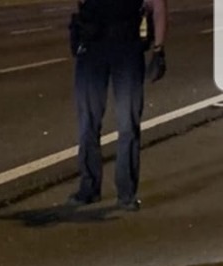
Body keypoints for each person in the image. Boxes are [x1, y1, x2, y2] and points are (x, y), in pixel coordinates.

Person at [68, 0, 168, 211]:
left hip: (126, 48)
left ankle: (125, 193)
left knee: (127, 124)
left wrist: (159, 49)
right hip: (94, 48)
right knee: (89, 122)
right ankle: (90, 188)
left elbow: (157, 5)